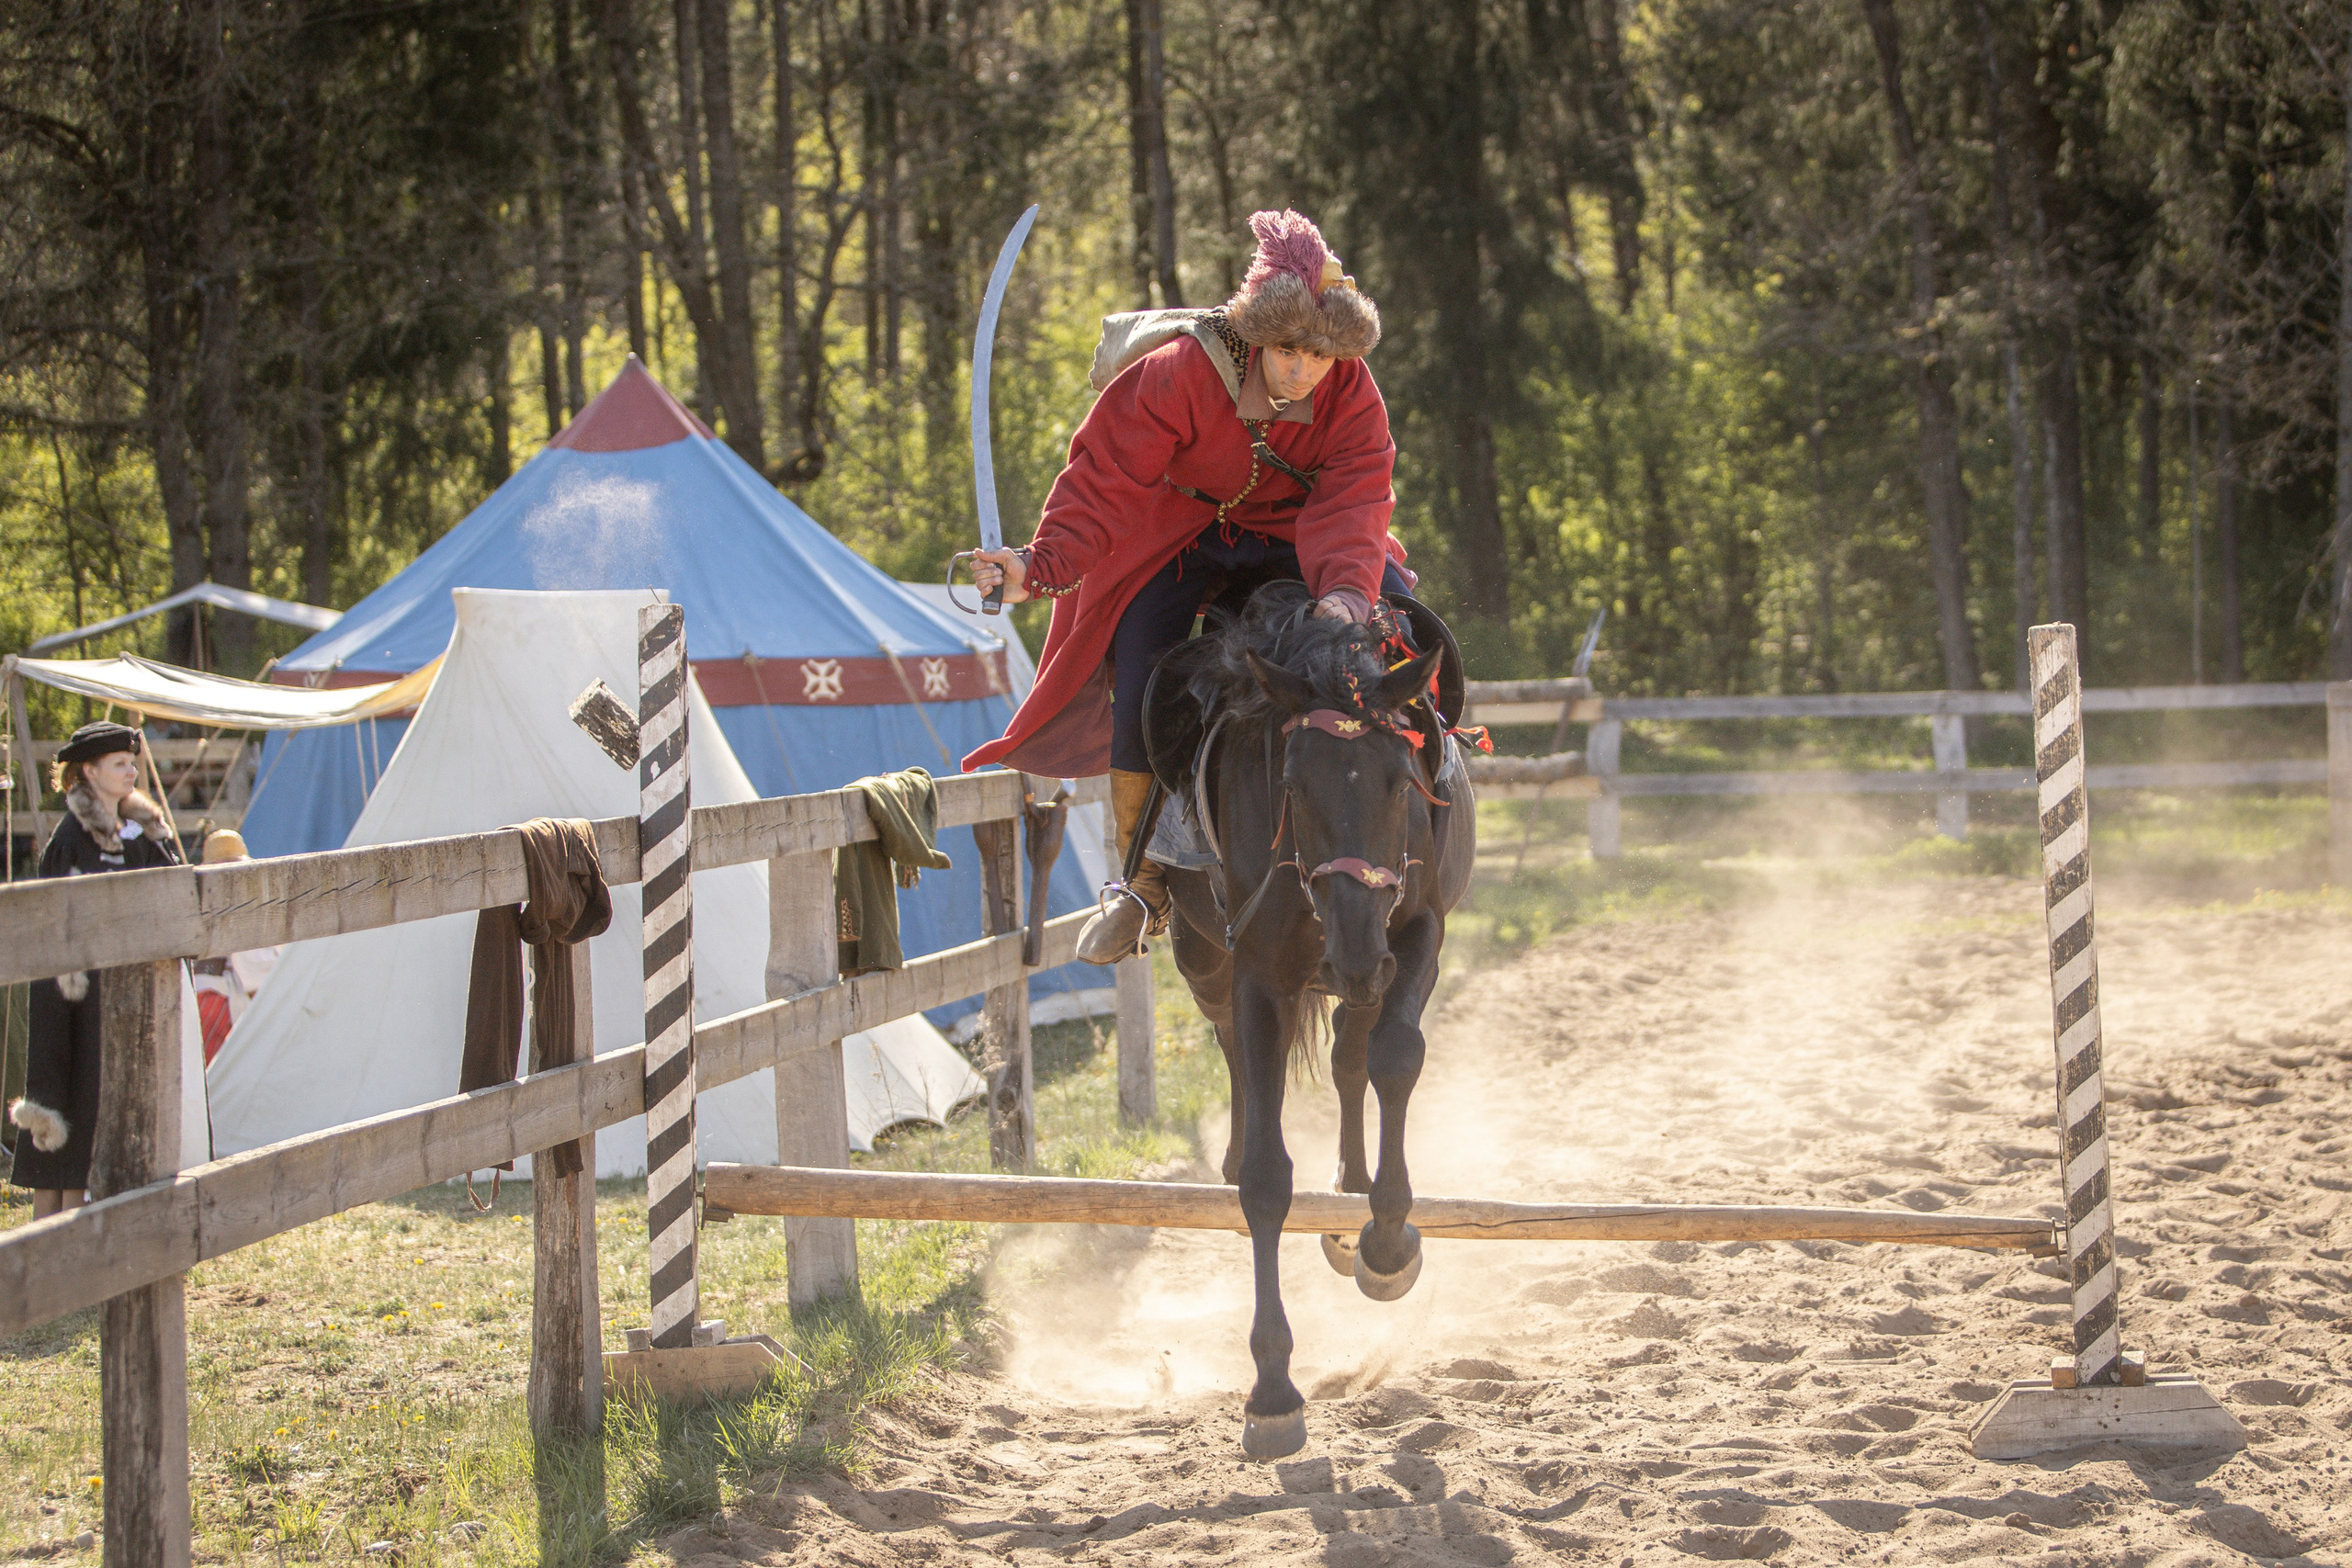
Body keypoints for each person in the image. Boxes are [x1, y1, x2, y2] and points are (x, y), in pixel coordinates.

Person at [965, 208, 1412, 963]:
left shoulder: (1353, 392)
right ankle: (1141, 884)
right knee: (1144, 670)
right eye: (1288, 350)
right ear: (1258, 336)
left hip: (1295, 540)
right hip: (1176, 533)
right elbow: (1103, 480)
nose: (1302, 370)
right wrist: (1036, 568)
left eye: (1318, 355)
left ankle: (1425, 805)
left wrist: (1343, 593)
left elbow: (1357, 497)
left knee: (1395, 615)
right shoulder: (1179, 372)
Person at [8, 721, 183, 1216]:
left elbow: (173, 888)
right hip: (79, 996)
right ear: (89, 771)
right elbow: (59, 925)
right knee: (76, 1099)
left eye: (132, 763)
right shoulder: (72, 838)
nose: (132, 772)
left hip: (133, 990)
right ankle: (57, 1236)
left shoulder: (143, 829)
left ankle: (111, 1225)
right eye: (119, 764)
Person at [190, 829, 279, 1066]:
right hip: (210, 992)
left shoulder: (264, 908)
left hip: (251, 995)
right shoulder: (198, 910)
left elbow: (269, 965)